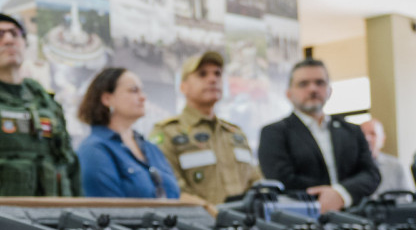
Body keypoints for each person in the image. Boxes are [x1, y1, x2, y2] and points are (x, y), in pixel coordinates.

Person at [0, 11, 78, 197]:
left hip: (57, 214)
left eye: (15, 34)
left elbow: (71, 168)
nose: (8, 40)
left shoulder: (47, 103)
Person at [258, 58, 378, 212]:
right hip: (302, 218)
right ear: (289, 93)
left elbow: (371, 173)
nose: (313, 89)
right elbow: (281, 179)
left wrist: (341, 193)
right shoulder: (274, 133)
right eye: (303, 84)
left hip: (356, 216)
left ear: (330, 90)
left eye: (320, 82)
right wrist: (326, 195)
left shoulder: (352, 131)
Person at [150, 51, 261, 205]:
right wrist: (211, 212)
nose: (213, 79)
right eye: (202, 74)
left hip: (245, 218)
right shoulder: (167, 132)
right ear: (183, 87)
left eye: (217, 74)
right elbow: (171, 190)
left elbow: (255, 182)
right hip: (199, 219)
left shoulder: (235, 133)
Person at [76, 67, 180, 199]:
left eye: (142, 91)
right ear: (107, 98)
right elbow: (107, 208)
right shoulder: (94, 150)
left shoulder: (151, 149)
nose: (143, 97)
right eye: (134, 90)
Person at [360, 119, 413, 196]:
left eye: (373, 134)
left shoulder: (397, 166)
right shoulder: (348, 167)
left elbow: (408, 198)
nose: (367, 138)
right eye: (362, 134)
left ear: (382, 139)